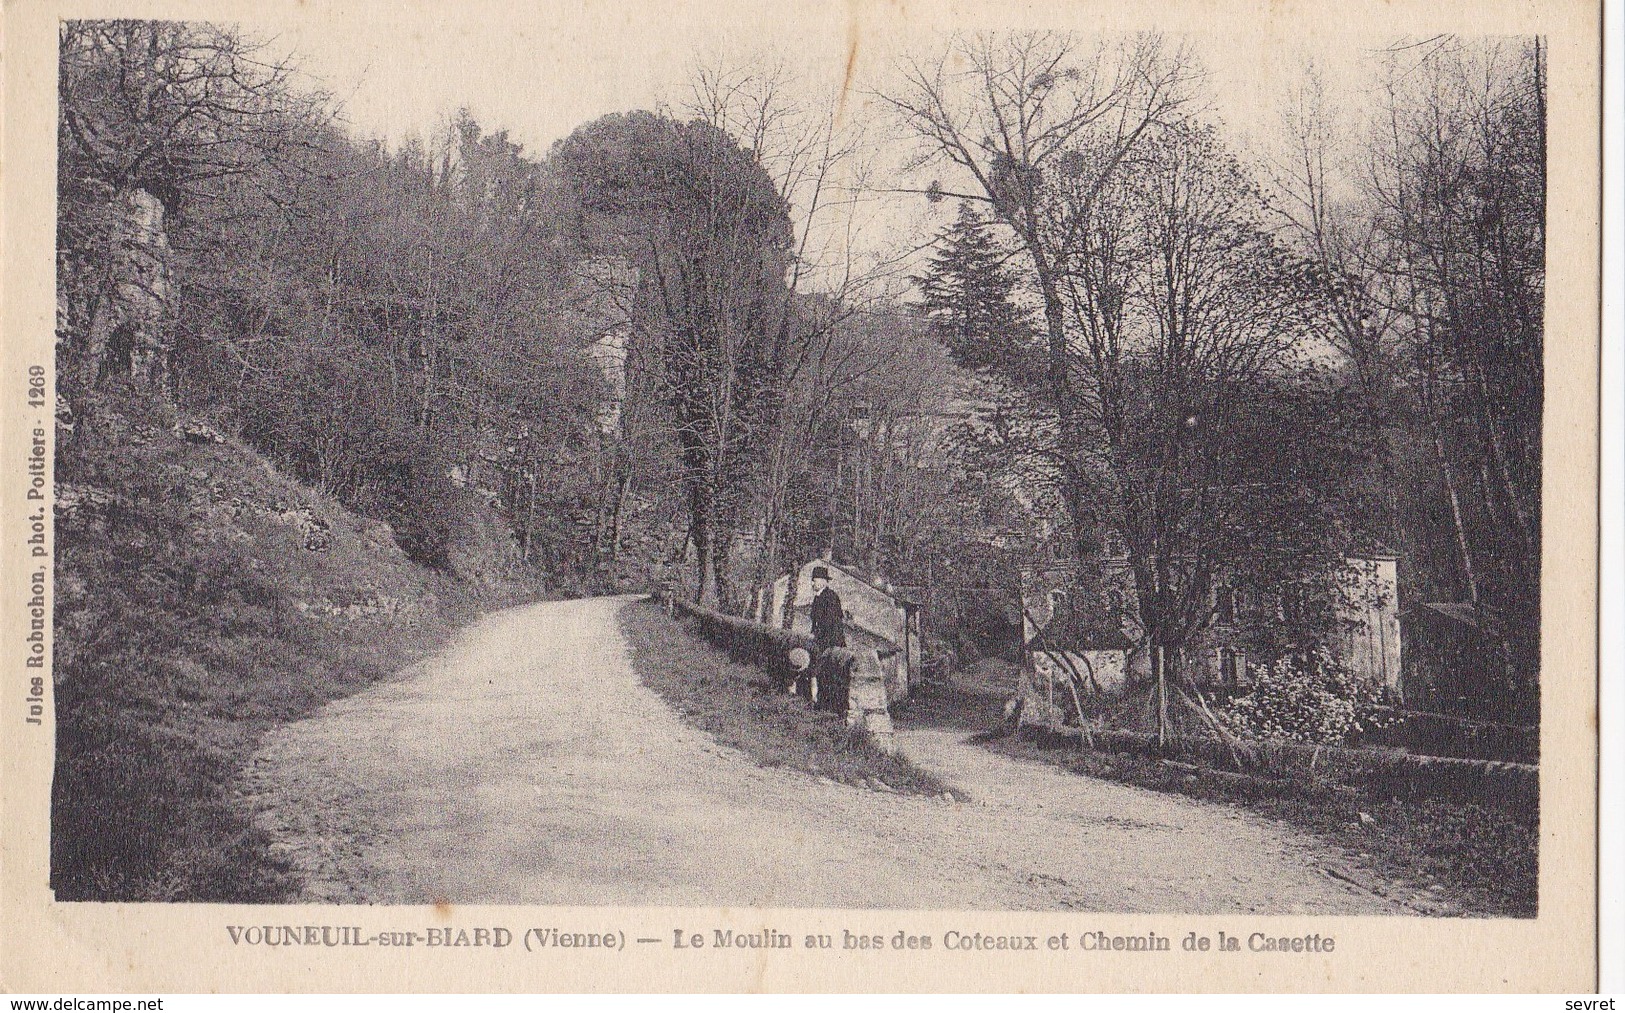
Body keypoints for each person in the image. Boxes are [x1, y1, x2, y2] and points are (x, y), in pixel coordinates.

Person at [808, 566, 848, 711]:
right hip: (823, 643)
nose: (812, 584)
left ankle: (831, 707)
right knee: (821, 675)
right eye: (812, 581)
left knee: (830, 675)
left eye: (815, 580)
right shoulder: (818, 597)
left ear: (824, 581)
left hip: (831, 643)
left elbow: (829, 622)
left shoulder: (830, 597)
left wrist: (818, 636)